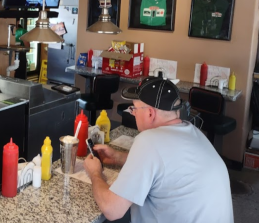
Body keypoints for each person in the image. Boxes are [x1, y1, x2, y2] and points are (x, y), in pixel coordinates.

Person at [84, 77, 234, 223]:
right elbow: (166, 165)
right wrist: (119, 157)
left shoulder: (149, 140)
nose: (133, 113)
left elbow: (112, 209)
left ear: (150, 113)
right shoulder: (195, 132)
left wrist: (95, 173)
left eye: (134, 109)